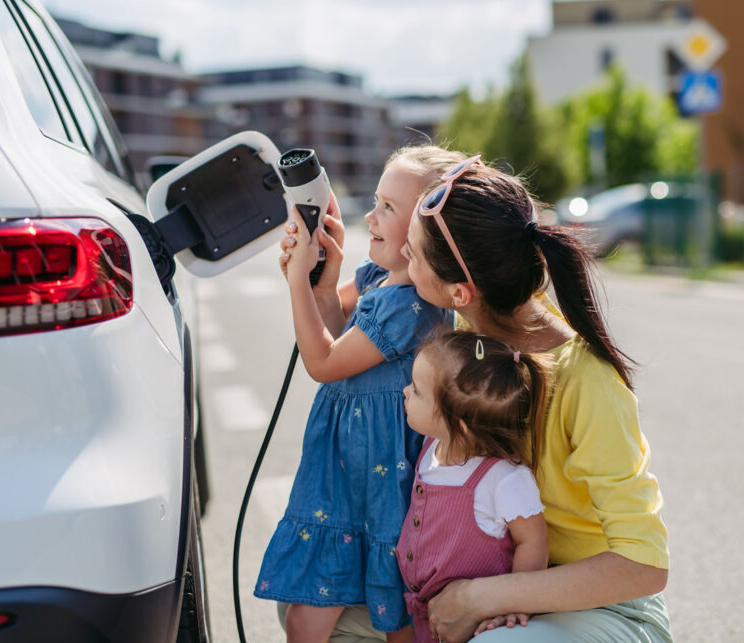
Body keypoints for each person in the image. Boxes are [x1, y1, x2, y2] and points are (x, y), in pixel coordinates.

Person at [400, 155, 672, 642]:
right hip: (507, 585)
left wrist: (485, 598)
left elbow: (644, 566)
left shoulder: (589, 384)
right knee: (329, 613)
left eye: (414, 255)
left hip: (607, 608)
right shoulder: (478, 326)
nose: (405, 260)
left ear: (460, 292)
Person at [256, 146, 463, 642]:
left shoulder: (409, 302)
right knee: (311, 614)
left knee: (391, 612)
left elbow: (323, 362)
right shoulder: (377, 278)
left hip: (377, 476)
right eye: (376, 201)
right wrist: (322, 276)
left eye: (389, 209)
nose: (370, 216)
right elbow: (332, 324)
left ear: (426, 235)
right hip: (346, 469)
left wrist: (295, 283)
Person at [397, 330, 551, 643]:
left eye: (417, 390)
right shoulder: (431, 447)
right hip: (424, 612)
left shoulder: (502, 479)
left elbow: (533, 541)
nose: (405, 391)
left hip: (474, 623)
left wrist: (515, 599)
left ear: (460, 426)